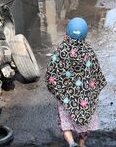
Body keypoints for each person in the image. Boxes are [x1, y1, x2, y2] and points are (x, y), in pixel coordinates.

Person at [46, 17, 107, 147]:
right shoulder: (89, 52)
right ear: (85, 34)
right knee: (84, 121)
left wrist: (61, 91)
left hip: (66, 97)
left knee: (65, 121)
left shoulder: (60, 52)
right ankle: (81, 143)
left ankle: (71, 143)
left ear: (67, 33)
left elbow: (51, 75)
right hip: (85, 97)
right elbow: (96, 74)